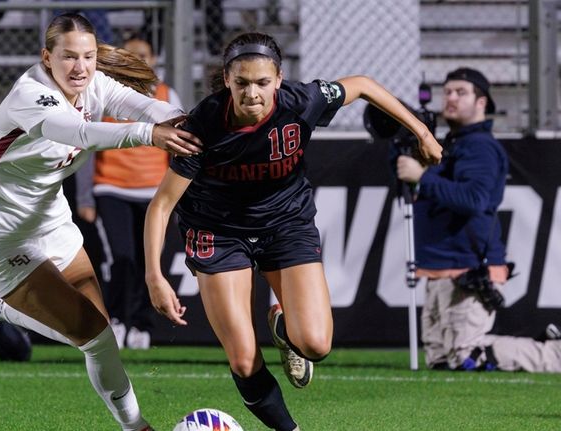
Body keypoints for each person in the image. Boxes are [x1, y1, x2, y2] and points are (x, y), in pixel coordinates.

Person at [143, 32, 442, 431]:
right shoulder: (204, 126)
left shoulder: (303, 101)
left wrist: (421, 132)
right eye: (243, 83)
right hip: (219, 231)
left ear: (279, 79)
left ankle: (284, 327)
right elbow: (162, 204)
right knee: (244, 357)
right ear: (227, 81)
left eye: (263, 82)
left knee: (316, 345)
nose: (253, 93)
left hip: (286, 224)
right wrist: (155, 276)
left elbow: (365, 85)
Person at [0, 13, 200, 431]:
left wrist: (182, 119)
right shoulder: (31, 93)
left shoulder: (92, 85)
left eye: (88, 56)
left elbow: (142, 102)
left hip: (52, 222)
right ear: (46, 57)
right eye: (69, 57)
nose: (81, 67)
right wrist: (150, 134)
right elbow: (80, 133)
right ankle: (136, 427)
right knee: (95, 335)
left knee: (98, 333)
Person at [396, 67, 561, 373]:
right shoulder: (455, 144)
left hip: (468, 265)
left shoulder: (480, 147)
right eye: (447, 92)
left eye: (461, 92)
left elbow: (475, 200)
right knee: (440, 360)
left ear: (482, 102)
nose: (451, 98)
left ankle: (554, 354)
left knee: (467, 355)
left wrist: (422, 177)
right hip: (441, 266)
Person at [75, 37, 183, 350]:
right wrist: (85, 197)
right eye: (132, 55)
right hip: (112, 188)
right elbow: (87, 142)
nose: (139, 60)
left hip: (154, 193)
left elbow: (178, 147)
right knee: (121, 259)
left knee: (148, 262)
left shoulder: (165, 93)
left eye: (144, 55)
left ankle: (141, 324)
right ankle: (118, 320)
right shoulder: (104, 93)